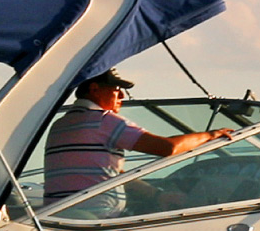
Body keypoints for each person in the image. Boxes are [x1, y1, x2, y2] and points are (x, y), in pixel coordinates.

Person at [40, 71, 233, 218]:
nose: (122, 96)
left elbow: (109, 174)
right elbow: (167, 148)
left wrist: (157, 195)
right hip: (98, 217)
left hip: (58, 216)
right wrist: (211, 135)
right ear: (94, 89)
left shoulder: (61, 125)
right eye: (116, 90)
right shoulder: (104, 121)